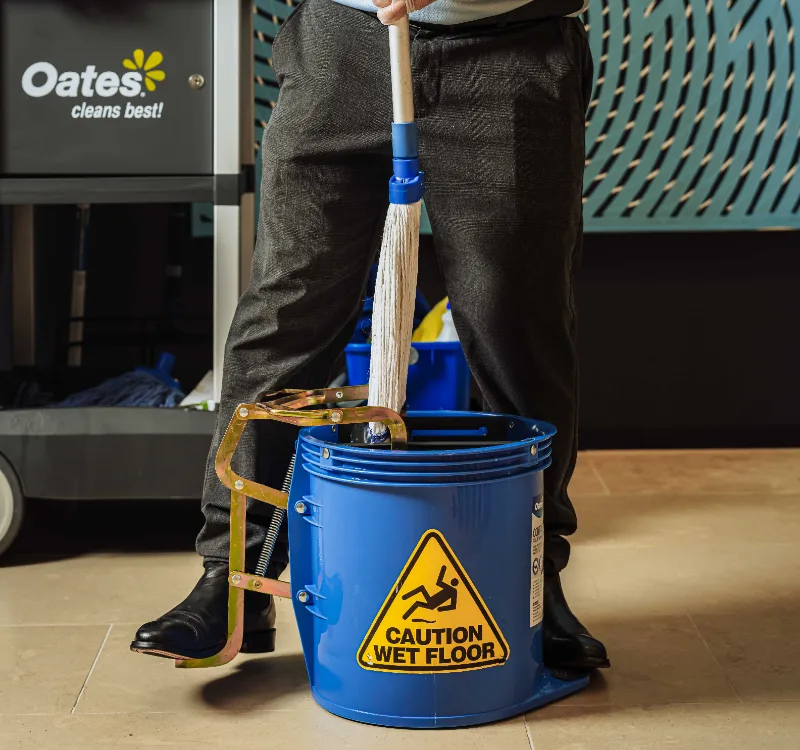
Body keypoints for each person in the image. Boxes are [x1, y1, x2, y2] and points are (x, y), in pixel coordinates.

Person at [131, 0, 610, 672]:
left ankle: (534, 584)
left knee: (516, 324)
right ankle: (232, 584)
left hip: (507, 51)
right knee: (285, 314)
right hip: (342, 46)